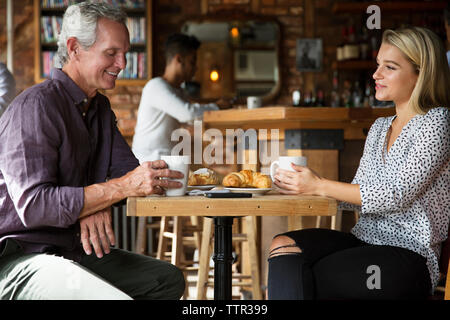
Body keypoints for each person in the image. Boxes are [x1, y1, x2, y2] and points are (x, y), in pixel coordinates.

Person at [0, 2, 186, 300]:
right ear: (74, 48)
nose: (122, 63)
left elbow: (128, 174)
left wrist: (97, 201)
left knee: (166, 280)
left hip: (71, 248)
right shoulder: (35, 107)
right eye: (111, 53)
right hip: (20, 256)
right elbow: (34, 206)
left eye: (125, 53)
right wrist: (108, 193)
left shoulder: (98, 108)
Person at [268, 26, 450, 300]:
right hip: (363, 240)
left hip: (409, 254)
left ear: (420, 74)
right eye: (378, 65)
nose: (376, 75)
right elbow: (359, 194)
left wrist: (320, 185)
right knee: (283, 246)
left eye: (389, 67)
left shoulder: (437, 121)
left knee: (309, 276)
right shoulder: (379, 128)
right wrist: (307, 185)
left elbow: (395, 195)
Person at [132, 33, 229, 163]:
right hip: (147, 162)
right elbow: (188, 114)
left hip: (166, 161)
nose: (196, 68)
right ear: (178, 59)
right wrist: (218, 106)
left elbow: (192, 119)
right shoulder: (155, 86)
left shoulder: (179, 91)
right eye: (192, 62)